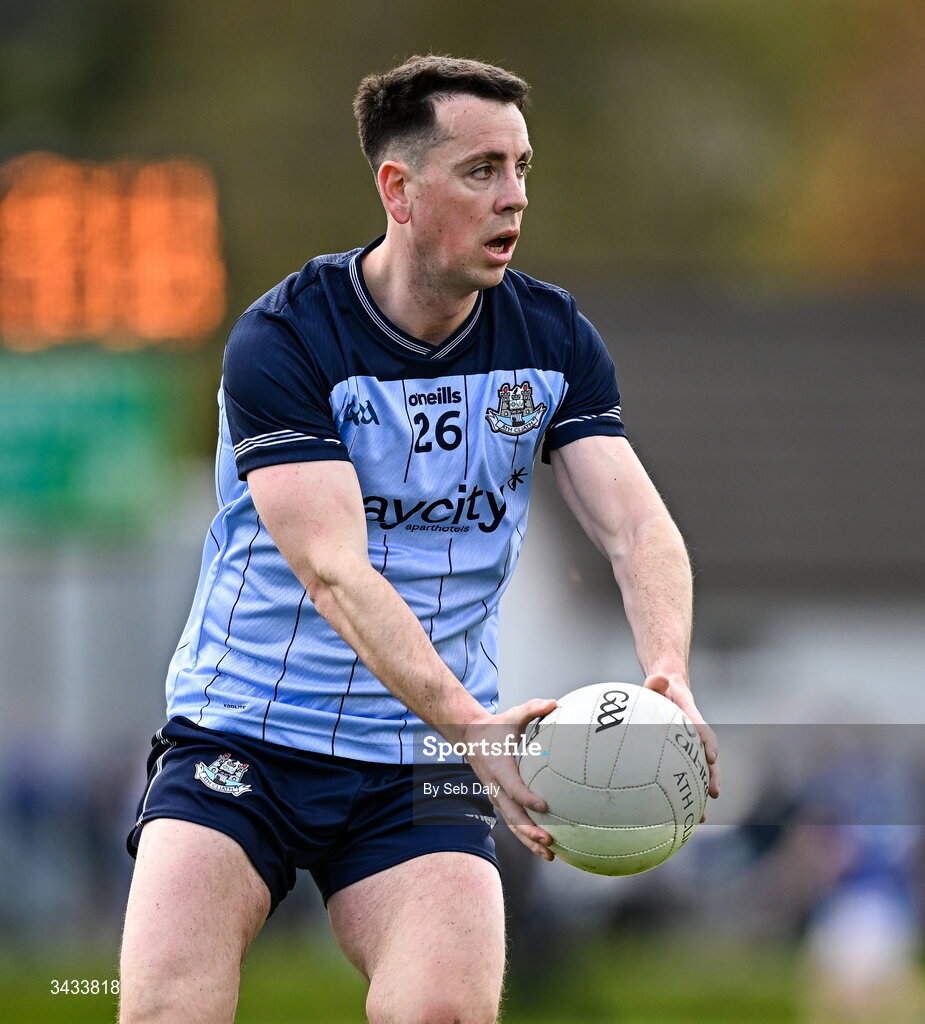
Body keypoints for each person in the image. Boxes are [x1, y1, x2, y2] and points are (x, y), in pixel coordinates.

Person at [118, 54, 719, 1024]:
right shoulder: (288, 340)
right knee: (163, 1009)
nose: (513, 196)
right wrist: (477, 728)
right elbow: (333, 570)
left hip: (419, 759)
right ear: (397, 188)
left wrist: (669, 671)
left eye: (521, 167)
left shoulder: (551, 337)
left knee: (443, 1012)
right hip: (243, 738)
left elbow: (636, 524)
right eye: (481, 169)